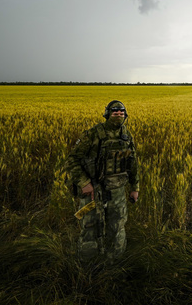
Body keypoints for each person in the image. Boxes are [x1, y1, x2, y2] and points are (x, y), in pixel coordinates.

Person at [66, 100, 140, 264]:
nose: (118, 115)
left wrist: (135, 187)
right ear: (107, 114)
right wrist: (84, 183)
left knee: (117, 227)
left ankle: (115, 263)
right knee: (90, 228)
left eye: (121, 113)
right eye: (115, 112)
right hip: (94, 191)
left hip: (118, 192)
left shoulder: (126, 136)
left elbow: (133, 163)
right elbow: (72, 161)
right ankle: (87, 266)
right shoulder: (93, 134)